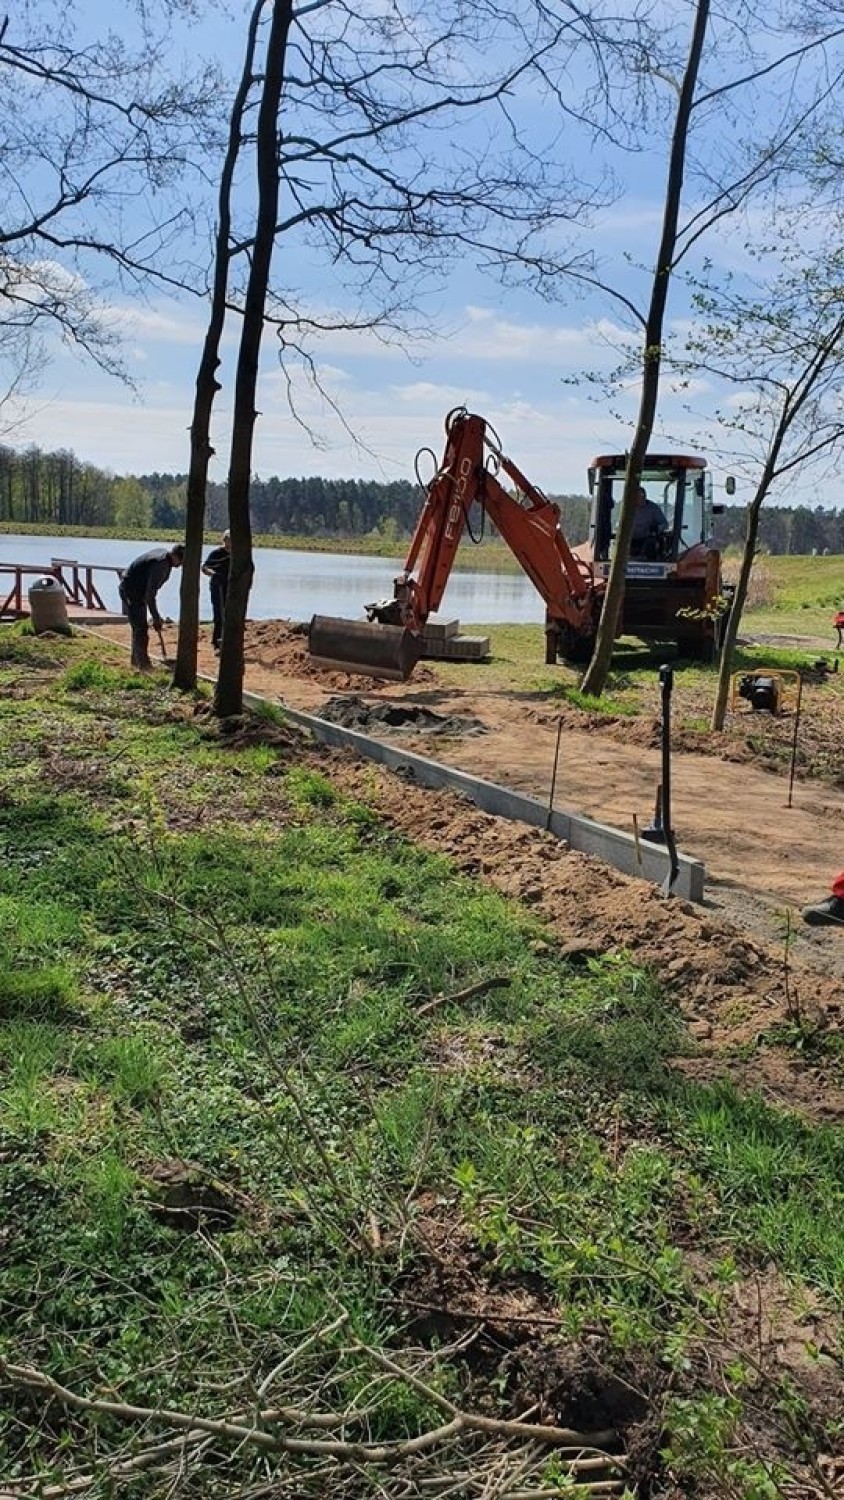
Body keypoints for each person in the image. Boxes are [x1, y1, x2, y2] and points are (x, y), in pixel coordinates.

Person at [118, 543, 185, 671]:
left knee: (139, 628)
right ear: (176, 556)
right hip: (130, 591)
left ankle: (136, 661)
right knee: (141, 629)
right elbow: (150, 594)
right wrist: (155, 617)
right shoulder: (161, 565)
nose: (181, 565)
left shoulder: (164, 557)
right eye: (181, 561)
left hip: (138, 592)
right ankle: (144, 666)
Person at [202, 530, 231, 653]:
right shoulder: (217, 553)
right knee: (219, 614)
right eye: (228, 539)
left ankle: (228, 642)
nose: (230, 542)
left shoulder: (238, 554)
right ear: (224, 540)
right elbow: (205, 567)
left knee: (230, 615)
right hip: (217, 586)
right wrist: (214, 574)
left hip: (232, 588)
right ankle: (217, 642)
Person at [630, 486, 670, 558]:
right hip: (630, 539)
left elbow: (664, 524)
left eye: (640, 497)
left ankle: (649, 561)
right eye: (635, 497)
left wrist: (657, 528)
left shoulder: (653, 508)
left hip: (647, 539)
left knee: (652, 543)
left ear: (644, 497)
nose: (638, 499)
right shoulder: (627, 508)